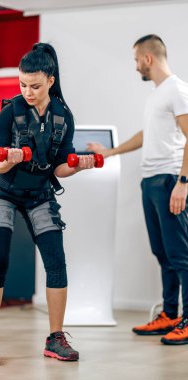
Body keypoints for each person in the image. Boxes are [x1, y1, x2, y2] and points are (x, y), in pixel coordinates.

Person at [0, 42, 95, 365]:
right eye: (22, 85)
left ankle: (55, 338)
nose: (28, 91)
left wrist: (77, 165)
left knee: (56, 261)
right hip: (1, 191)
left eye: (35, 86)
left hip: (39, 193)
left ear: (51, 81)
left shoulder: (62, 115)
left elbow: (58, 167)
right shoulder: (8, 114)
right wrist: (10, 159)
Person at [88, 34, 188, 345]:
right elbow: (148, 135)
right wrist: (110, 152)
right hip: (151, 182)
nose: (135, 67)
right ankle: (170, 314)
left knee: (181, 255)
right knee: (164, 254)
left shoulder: (177, 90)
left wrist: (183, 184)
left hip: (170, 180)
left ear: (147, 58)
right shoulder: (158, 95)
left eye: (136, 60)